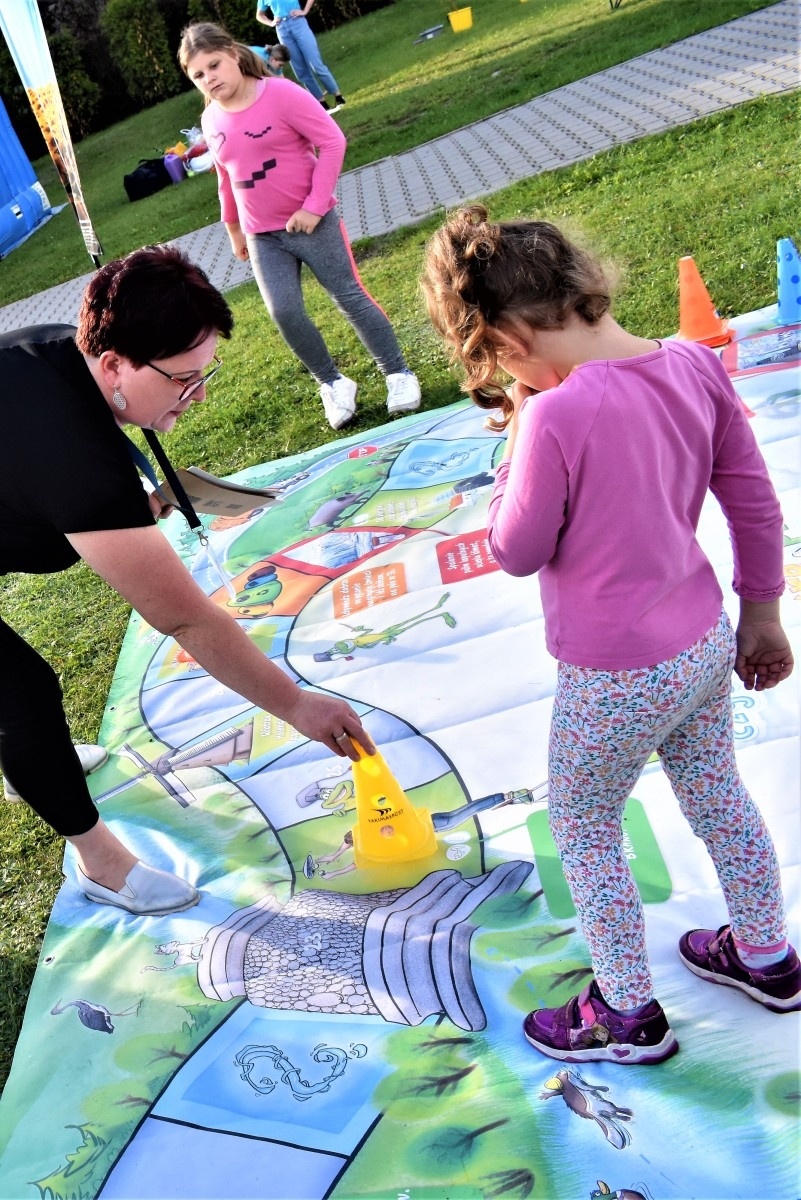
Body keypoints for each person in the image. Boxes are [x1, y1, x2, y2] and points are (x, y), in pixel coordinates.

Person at [421, 204, 799, 1065]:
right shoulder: (692, 365)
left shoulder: (551, 416)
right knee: (717, 792)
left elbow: (515, 549)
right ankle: (768, 957)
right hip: (703, 642)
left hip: (614, 675)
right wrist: (764, 612)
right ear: (585, 286)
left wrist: (518, 435)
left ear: (504, 345)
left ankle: (624, 1012)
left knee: (585, 823)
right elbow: (751, 497)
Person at [0, 244, 373, 918]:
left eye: (206, 374)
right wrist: (297, 707)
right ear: (114, 363)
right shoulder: (73, 455)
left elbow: (41, 490)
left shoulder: (65, 353)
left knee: (17, 710)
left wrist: (124, 511)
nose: (197, 396)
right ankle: (103, 865)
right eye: (183, 380)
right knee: (21, 693)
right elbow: (187, 620)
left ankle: (31, 760)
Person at [178, 22, 421, 431]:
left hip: (314, 223)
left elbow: (332, 142)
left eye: (214, 65)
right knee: (285, 312)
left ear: (234, 55)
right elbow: (225, 177)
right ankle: (333, 383)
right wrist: (234, 228)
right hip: (261, 236)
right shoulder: (210, 119)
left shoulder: (281, 94)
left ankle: (398, 374)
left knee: (349, 297)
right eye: (198, 75)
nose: (210, 78)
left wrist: (313, 206)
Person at [255, 0, 345, 112]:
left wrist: (305, 11)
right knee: (300, 70)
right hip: (282, 29)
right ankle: (321, 103)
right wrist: (271, 23)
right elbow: (259, 15)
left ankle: (338, 96)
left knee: (316, 64)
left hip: (298, 23)